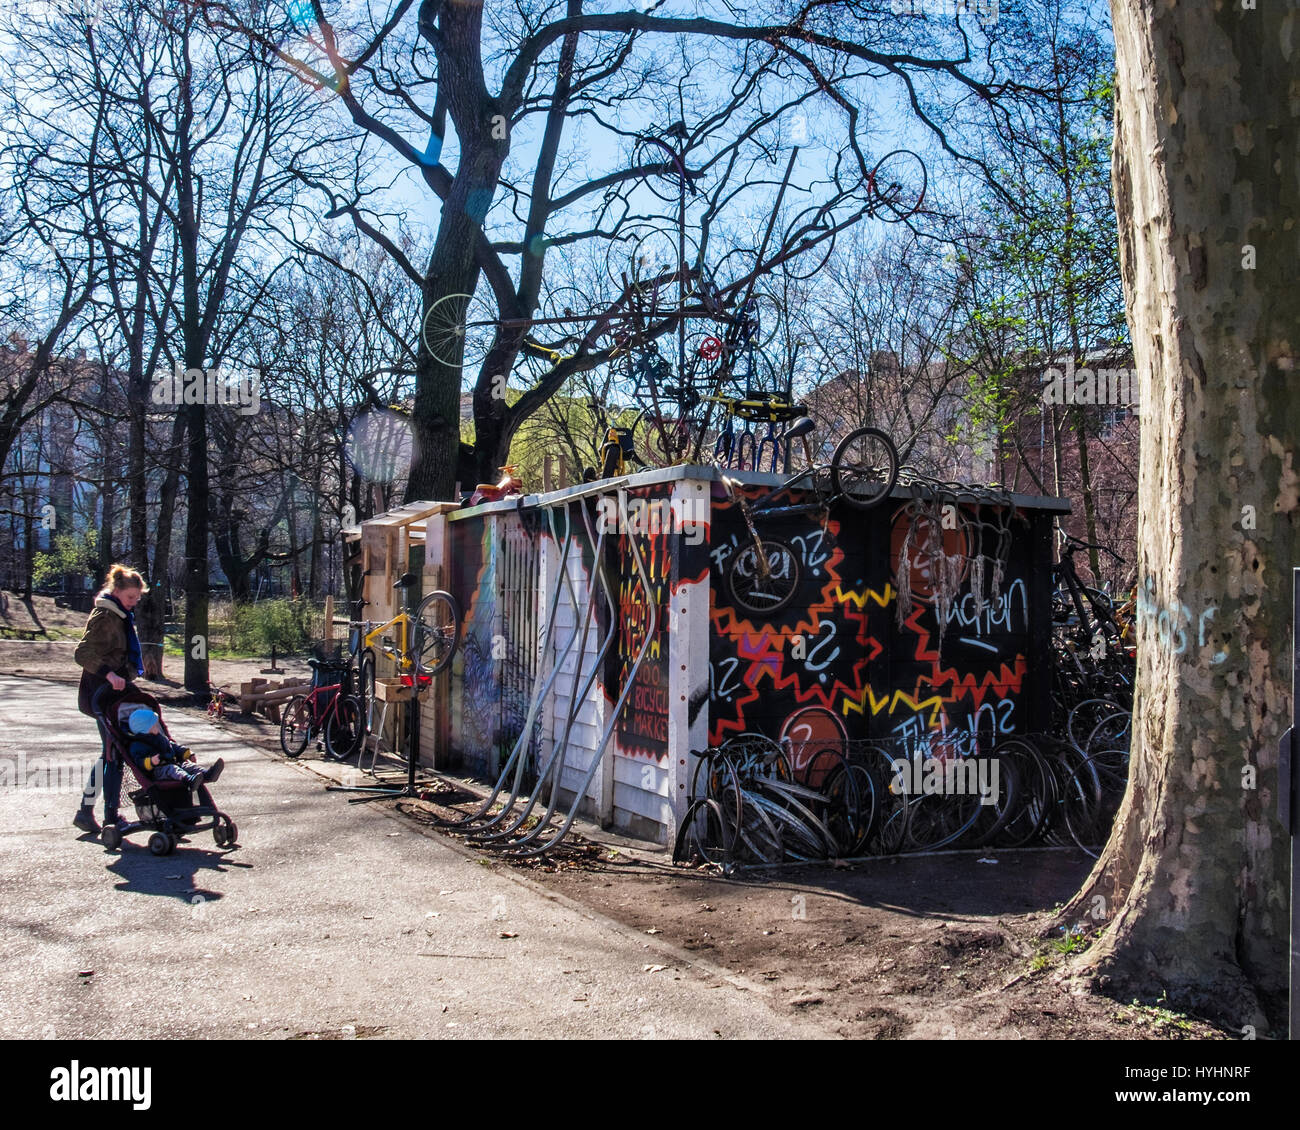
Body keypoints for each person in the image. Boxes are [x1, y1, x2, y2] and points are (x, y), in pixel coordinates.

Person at [72, 564, 147, 835]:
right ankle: (109, 818)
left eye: (137, 598)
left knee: (111, 753)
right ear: (116, 592)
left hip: (114, 693)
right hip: (100, 693)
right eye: (130, 597)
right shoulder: (105, 615)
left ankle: (87, 811)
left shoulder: (120, 614)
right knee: (113, 753)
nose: (134, 602)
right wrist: (109, 674)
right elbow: (82, 653)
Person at [124, 708, 223, 787]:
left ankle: (208, 774)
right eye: (154, 725)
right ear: (144, 729)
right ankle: (188, 780)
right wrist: (150, 761)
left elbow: (172, 746)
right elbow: (138, 761)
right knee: (173, 769)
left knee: (187, 766)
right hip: (158, 770)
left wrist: (187, 753)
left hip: (173, 762)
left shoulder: (160, 737)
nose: (157, 727)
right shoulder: (137, 745)